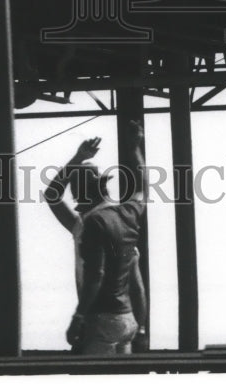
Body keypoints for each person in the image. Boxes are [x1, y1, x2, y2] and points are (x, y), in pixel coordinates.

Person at [44, 123, 148, 355]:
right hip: (127, 321)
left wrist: (77, 158)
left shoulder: (87, 224)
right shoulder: (127, 215)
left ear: (80, 195)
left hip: (101, 321)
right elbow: (137, 285)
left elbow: (52, 195)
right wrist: (134, 149)